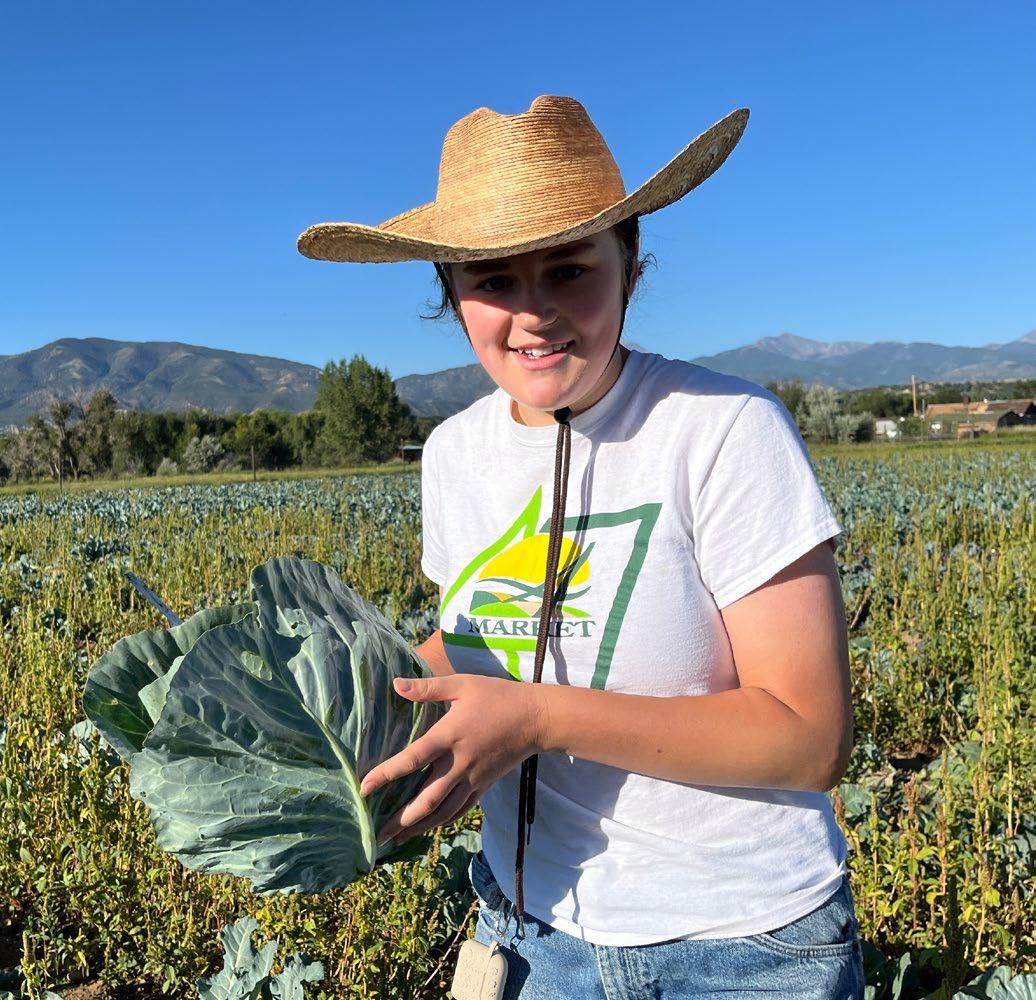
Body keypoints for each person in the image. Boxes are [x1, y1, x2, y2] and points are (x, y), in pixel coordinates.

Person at [297, 96, 863, 999]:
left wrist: (537, 719)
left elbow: (809, 737)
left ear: (631, 266)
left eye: (569, 270)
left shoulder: (724, 429)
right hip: (531, 938)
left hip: (742, 948)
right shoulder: (454, 454)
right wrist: (337, 718)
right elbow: (478, 637)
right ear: (450, 293)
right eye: (493, 281)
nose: (534, 315)